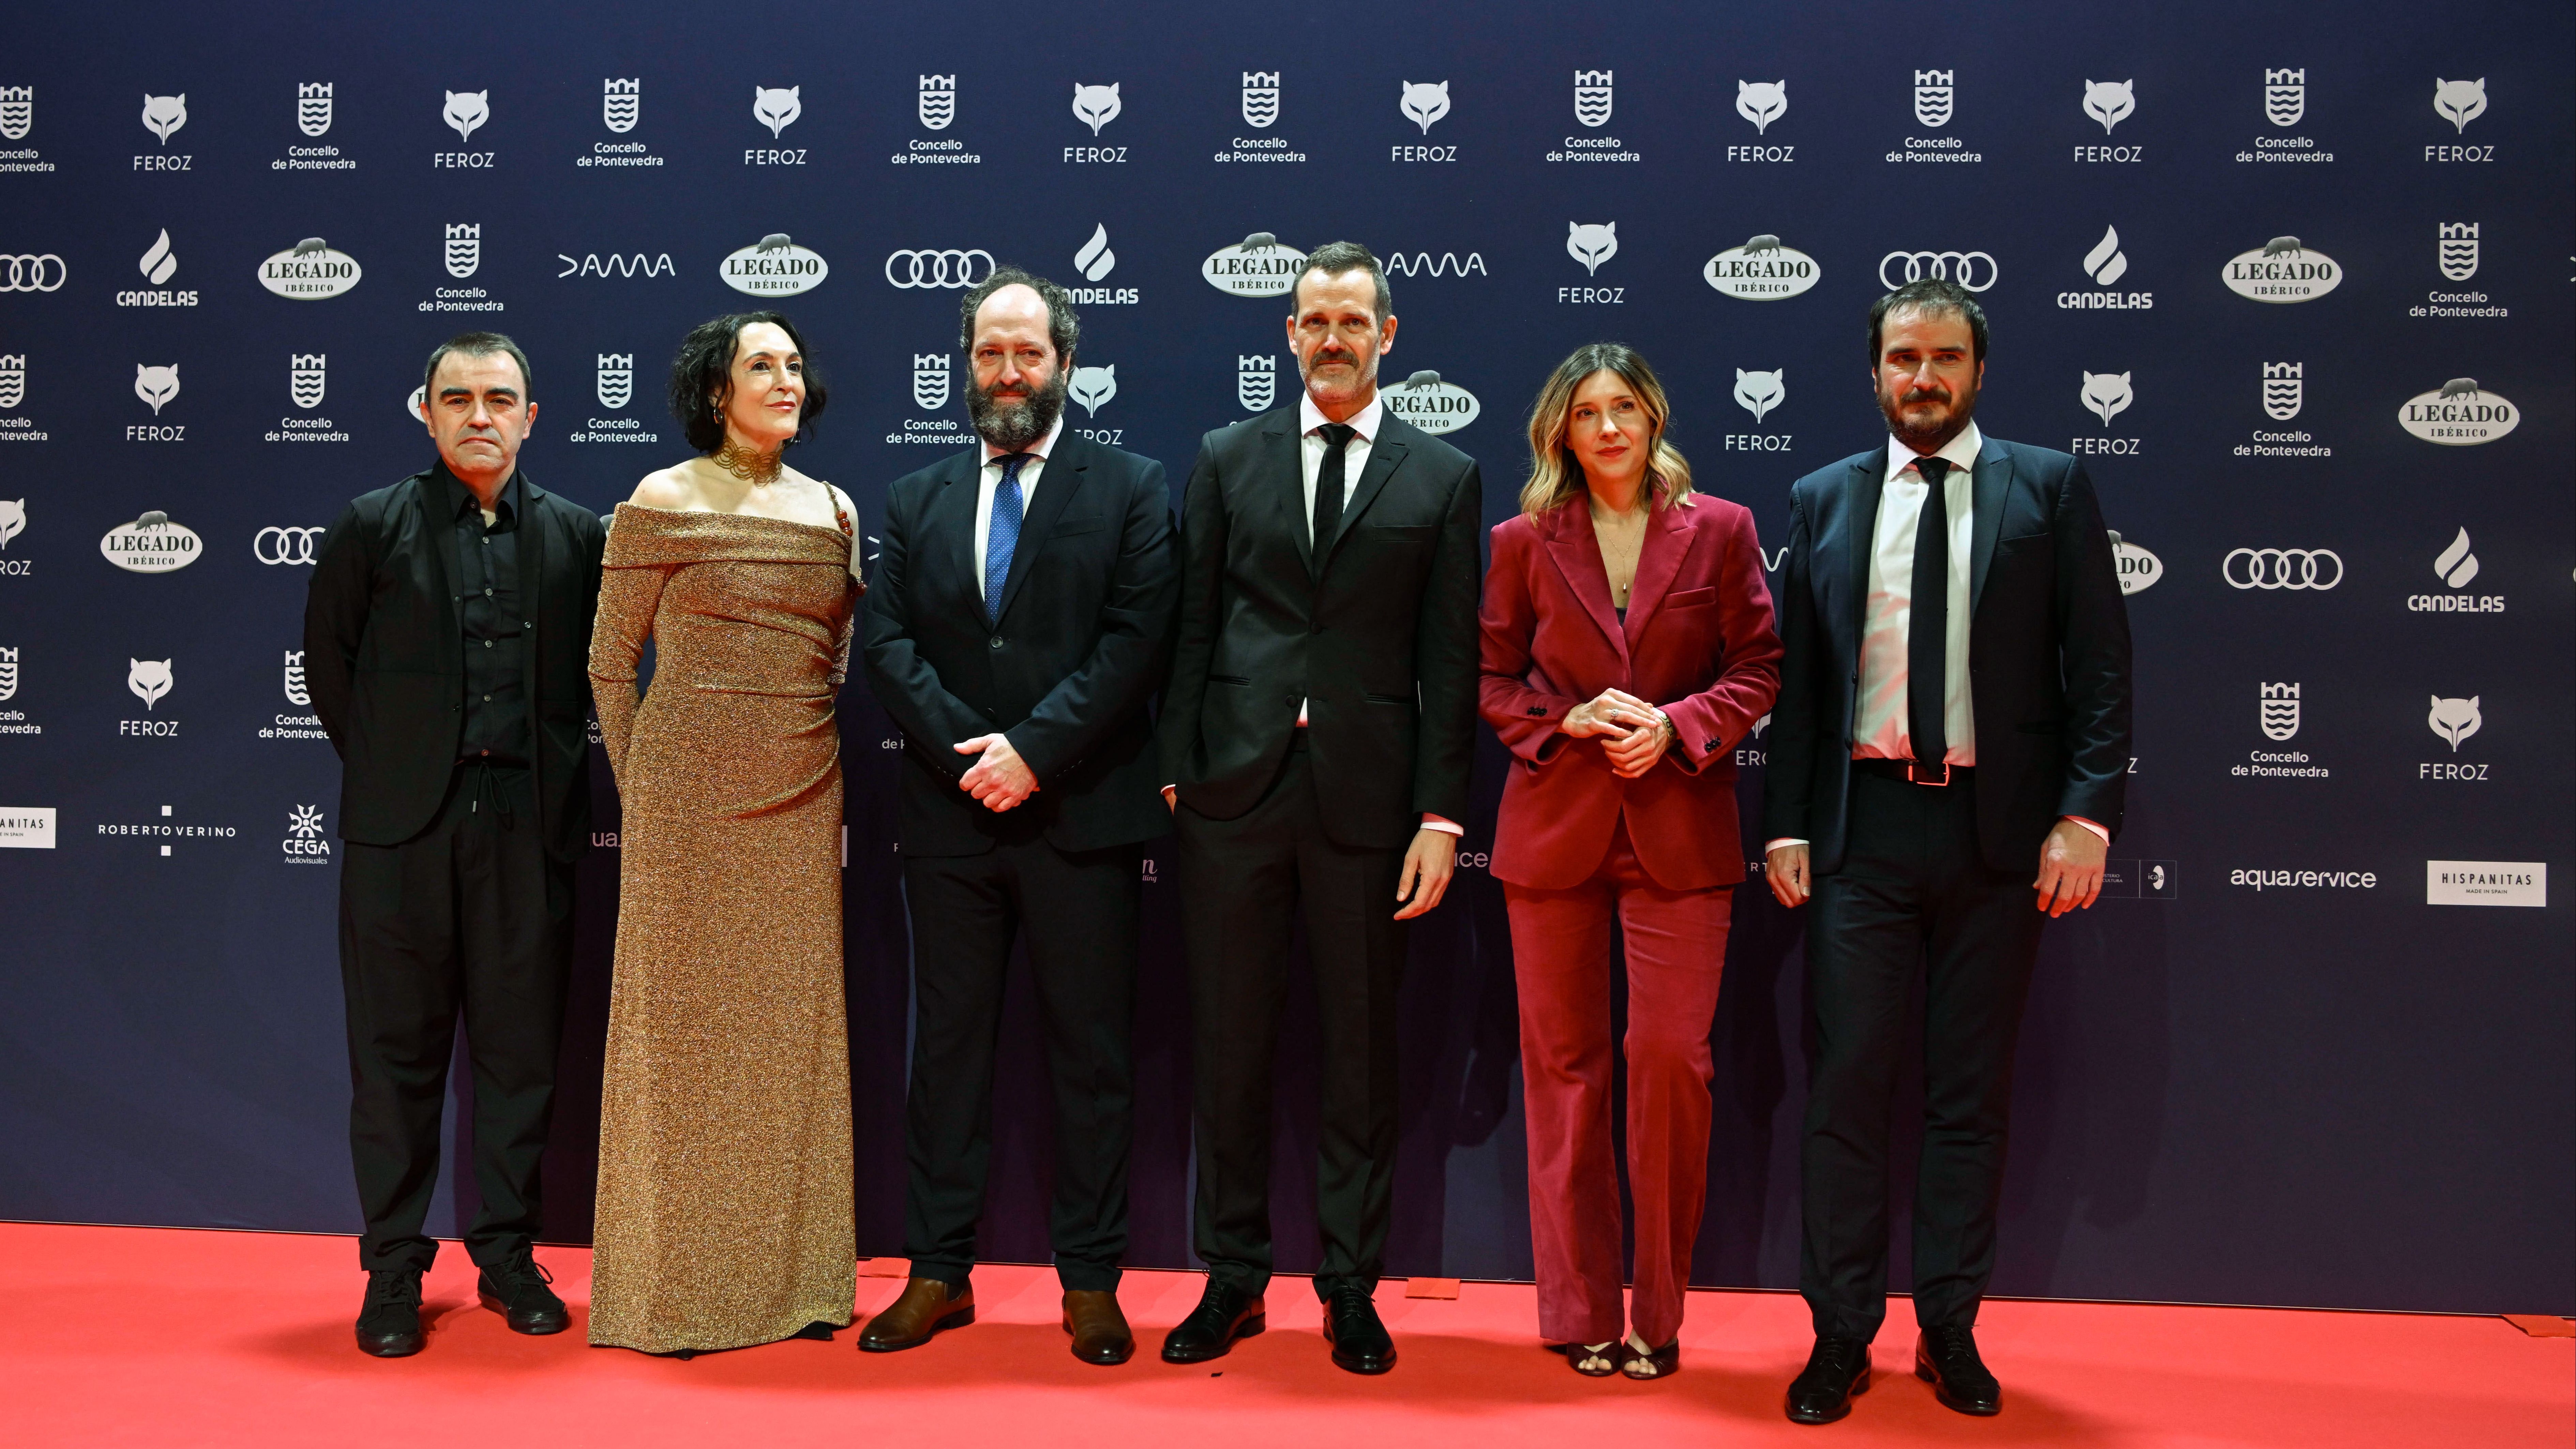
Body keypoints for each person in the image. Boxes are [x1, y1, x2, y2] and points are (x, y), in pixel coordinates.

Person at [1762, 278, 2131, 1423]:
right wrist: (1786, 821)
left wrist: (2085, 814)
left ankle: (1952, 1327)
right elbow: (1801, 683)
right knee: (1847, 1091)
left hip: (1997, 839)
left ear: (1979, 370)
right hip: (1861, 834)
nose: (1924, 378)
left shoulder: (2048, 486)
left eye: (1946, 358)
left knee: (1968, 1096)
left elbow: (2100, 666)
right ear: (1874, 372)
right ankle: (1839, 1335)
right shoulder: (1824, 497)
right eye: (1904, 358)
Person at [1156, 241, 1481, 1376]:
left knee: (1360, 1054)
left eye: (1352, 321)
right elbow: (1193, 623)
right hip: (1233, 795)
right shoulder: (1225, 456)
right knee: (1230, 1047)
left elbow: (1451, 661)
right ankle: (1233, 1276)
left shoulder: (1443, 475)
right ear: (1288, 335)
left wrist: (1441, 816)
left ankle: (1350, 1283)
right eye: (1313, 321)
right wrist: (1177, 768)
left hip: (1371, 803)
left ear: (1387, 335)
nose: (1331, 339)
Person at [858, 269, 1177, 1365]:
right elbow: (888, 644)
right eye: (990, 352)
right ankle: (937, 1270)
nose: (1007, 372)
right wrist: (975, 758)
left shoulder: (1130, 486)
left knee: (1091, 1059)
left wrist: (1034, 752)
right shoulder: (916, 495)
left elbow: (1136, 641)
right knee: (946, 1055)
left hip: (1081, 816)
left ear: (1064, 364)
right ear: (968, 362)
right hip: (952, 821)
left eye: (1027, 353)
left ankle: (1090, 1279)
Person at [1477, 344, 1780, 1381]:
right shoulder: (1522, 541)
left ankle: (1659, 1310)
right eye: (1586, 413)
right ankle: (1580, 1310)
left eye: (1624, 409)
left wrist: (1679, 725)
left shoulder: (1722, 528)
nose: (1607, 428)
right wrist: (1564, 717)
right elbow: (1490, 677)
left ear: (1653, 418)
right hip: (1554, 831)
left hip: (1679, 830)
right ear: (1560, 432)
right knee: (1564, 1074)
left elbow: (1759, 665)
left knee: (1669, 1065)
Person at [304, 331, 606, 1357]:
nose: (481, 415)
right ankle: (393, 1268)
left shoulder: (577, 536)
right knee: (394, 1060)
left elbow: (601, 673)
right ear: (426, 412)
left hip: (529, 829)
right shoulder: (371, 526)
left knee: (521, 1056)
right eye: (459, 397)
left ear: (532, 417)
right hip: (401, 835)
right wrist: (397, 768)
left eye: (500, 398)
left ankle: (509, 1256)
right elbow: (329, 668)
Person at [585, 312, 863, 1356]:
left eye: (794, 364)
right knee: (684, 1043)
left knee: (789, 1042)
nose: (786, 380)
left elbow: (835, 659)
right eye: (761, 365)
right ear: (717, 391)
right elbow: (610, 664)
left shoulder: (834, 510)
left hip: (801, 795)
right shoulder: (663, 499)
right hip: (683, 807)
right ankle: (674, 1294)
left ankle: (798, 1285)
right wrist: (648, 792)